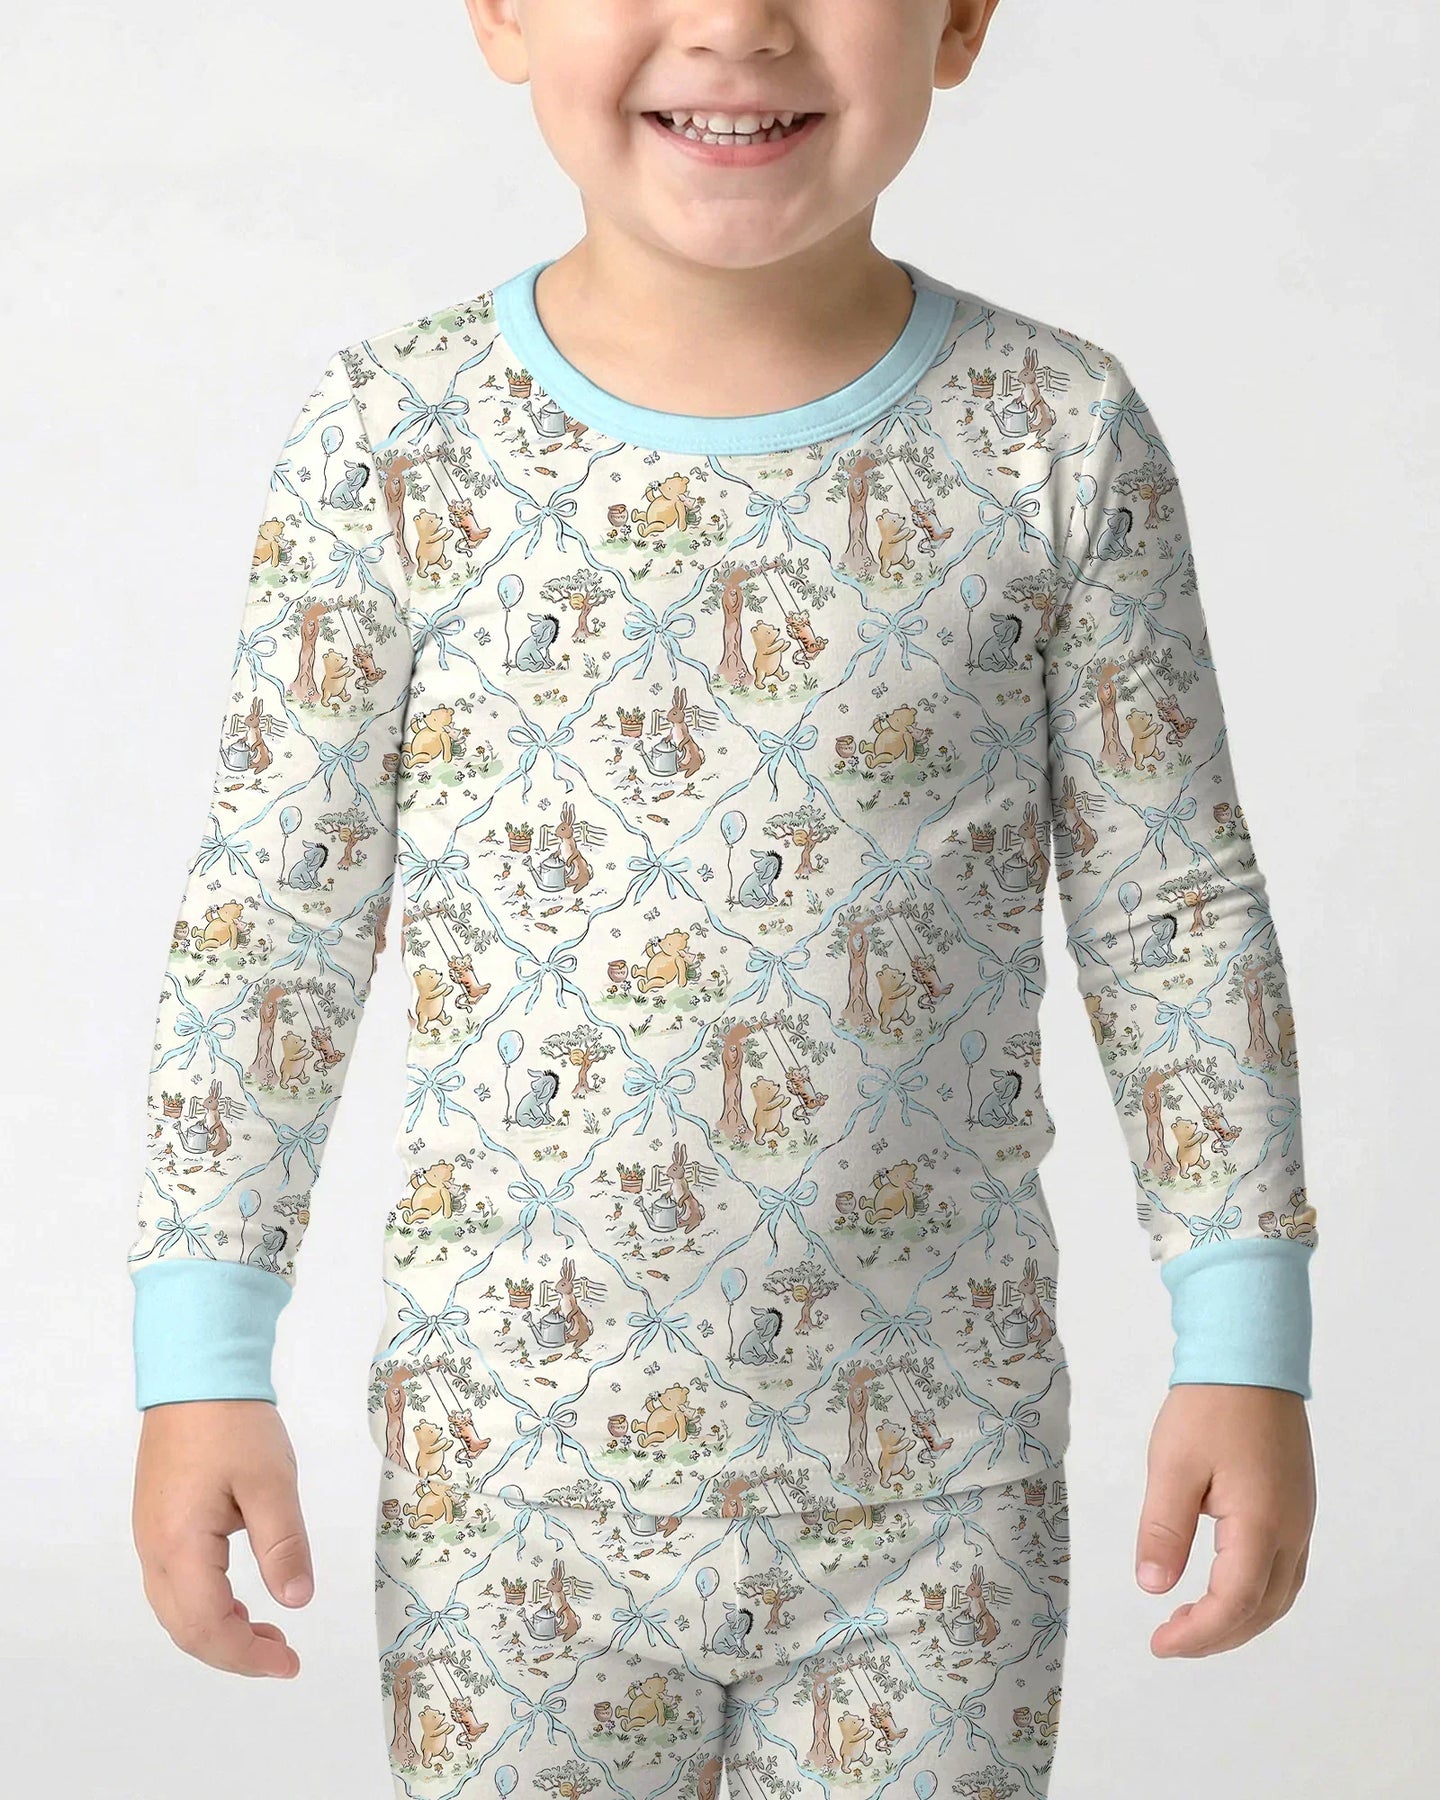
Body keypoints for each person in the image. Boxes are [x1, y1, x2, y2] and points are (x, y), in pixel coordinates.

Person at [128, 3, 1318, 1794]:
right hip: (510, 1494)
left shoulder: (1055, 435)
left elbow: (1175, 917)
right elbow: (273, 928)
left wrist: (1247, 1346)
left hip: (937, 1497)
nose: (740, 21)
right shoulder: (396, 445)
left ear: (962, 17)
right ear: (503, 10)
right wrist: (200, 1360)